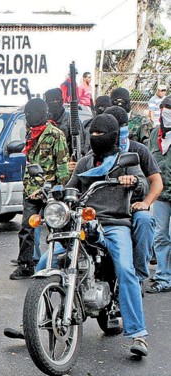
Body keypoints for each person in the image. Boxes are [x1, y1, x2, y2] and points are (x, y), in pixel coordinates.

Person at [36, 114, 150, 356]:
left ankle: (138, 334)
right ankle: (31, 323)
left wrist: (133, 182)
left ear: (112, 136)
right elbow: (71, 186)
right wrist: (53, 193)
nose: (96, 138)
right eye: (93, 134)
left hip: (115, 223)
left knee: (126, 269)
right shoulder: (86, 163)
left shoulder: (126, 160)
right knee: (45, 261)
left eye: (101, 134)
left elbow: (144, 184)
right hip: (84, 223)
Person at [10, 98, 69, 280]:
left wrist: (60, 192)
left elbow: (62, 167)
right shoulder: (30, 134)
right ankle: (26, 264)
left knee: (56, 228)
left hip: (50, 191)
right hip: (31, 189)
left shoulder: (55, 135)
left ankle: (59, 261)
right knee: (27, 228)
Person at [104, 106, 162, 285]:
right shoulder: (96, 150)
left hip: (133, 205)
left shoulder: (139, 150)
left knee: (144, 221)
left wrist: (146, 202)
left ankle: (137, 276)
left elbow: (157, 182)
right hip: (105, 207)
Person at [148, 95, 171, 293]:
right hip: (162, 196)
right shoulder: (155, 134)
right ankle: (163, 276)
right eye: (164, 107)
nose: (166, 112)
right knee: (161, 236)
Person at [44, 88, 88, 157]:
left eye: (57, 100)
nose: (55, 102)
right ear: (47, 103)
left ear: (62, 100)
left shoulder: (71, 120)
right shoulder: (44, 121)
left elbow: (81, 145)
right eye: (52, 101)